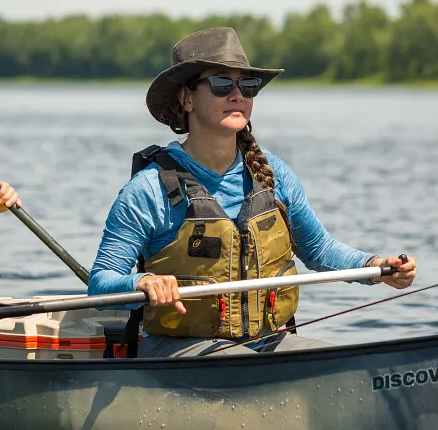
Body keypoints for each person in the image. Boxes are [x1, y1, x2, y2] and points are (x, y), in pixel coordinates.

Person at [88, 27, 417, 358]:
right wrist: (140, 283)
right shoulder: (148, 190)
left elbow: (318, 249)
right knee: (238, 361)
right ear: (187, 98)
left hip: (266, 346)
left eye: (248, 85)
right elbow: (101, 283)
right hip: (176, 352)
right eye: (221, 84)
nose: (238, 95)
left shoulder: (276, 176)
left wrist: (376, 266)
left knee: (341, 363)